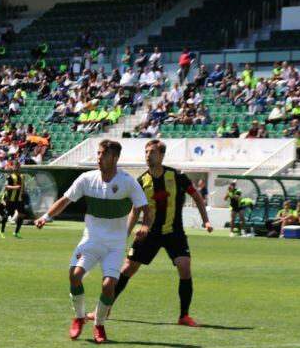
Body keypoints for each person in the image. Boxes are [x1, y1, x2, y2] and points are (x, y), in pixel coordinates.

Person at [87, 139, 213, 328]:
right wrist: (125, 236)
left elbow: (196, 195)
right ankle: (103, 309)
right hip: (149, 233)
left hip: (174, 232)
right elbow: (134, 211)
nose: (148, 155)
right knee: (126, 269)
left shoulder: (177, 177)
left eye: (152, 152)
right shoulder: (141, 182)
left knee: (184, 267)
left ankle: (184, 316)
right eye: (146, 152)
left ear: (161, 155)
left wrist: (206, 220)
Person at [34, 140, 151, 343]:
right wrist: (45, 217)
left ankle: (99, 324)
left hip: (115, 243)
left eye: (103, 155)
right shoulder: (87, 179)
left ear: (115, 158)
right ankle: (79, 317)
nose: (99, 158)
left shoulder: (128, 181)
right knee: (74, 275)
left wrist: (146, 226)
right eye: (98, 154)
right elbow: (65, 200)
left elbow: (145, 208)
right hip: (92, 239)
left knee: (109, 286)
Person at [1, 163, 26, 239]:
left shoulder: (22, 177)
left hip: (19, 200)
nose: (17, 168)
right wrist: (15, 187)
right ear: (13, 168)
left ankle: (16, 232)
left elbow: (23, 187)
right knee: (7, 215)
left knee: (22, 215)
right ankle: (2, 231)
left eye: (18, 167)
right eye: (16, 167)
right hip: (11, 200)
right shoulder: (10, 177)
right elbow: (6, 187)